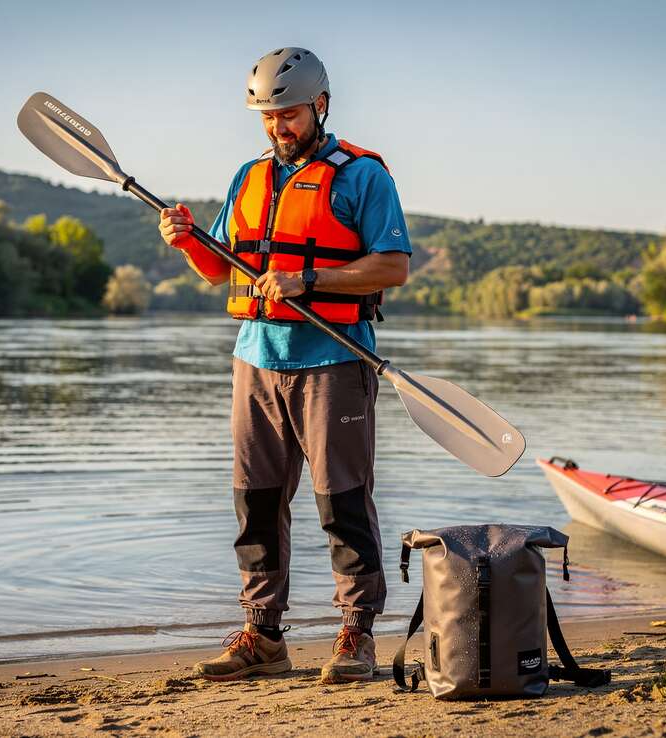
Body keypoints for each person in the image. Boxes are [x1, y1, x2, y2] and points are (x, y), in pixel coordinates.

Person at [157, 47, 411, 684]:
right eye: (268, 117)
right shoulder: (248, 178)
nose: (278, 127)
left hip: (334, 359)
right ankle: (263, 636)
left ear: (320, 105)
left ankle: (356, 633)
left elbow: (393, 267)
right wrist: (187, 241)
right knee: (256, 503)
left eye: (289, 114)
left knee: (342, 502)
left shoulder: (363, 177)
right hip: (255, 360)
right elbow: (221, 269)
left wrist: (309, 278)